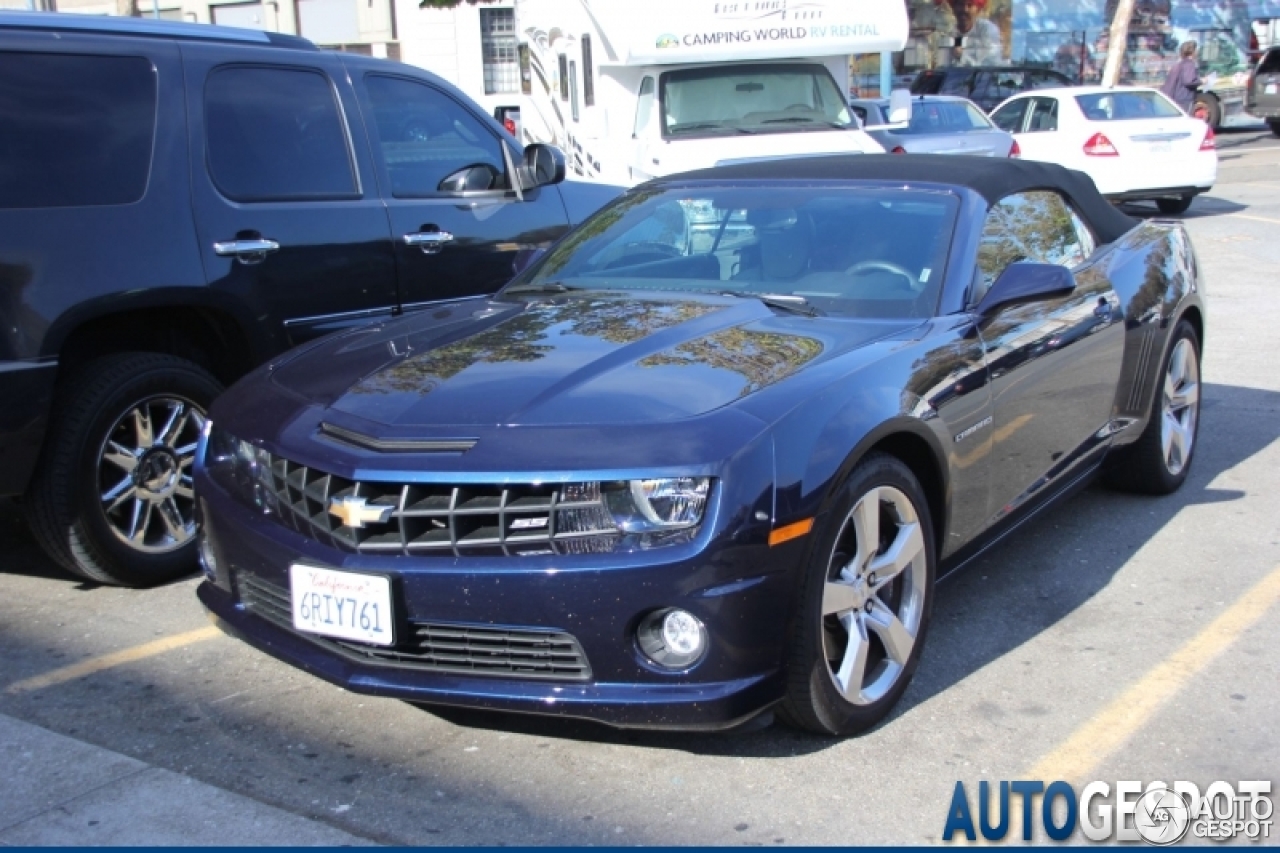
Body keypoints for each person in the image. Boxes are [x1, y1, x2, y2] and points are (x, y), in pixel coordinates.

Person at [951, 0, 1005, 66]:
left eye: (970, 5)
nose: (965, 10)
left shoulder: (986, 29)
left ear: (977, 10)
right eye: (960, 5)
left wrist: (962, 57)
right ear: (954, 8)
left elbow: (990, 65)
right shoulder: (950, 32)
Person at [1160, 40, 1202, 113]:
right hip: (1184, 99)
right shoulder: (1189, 64)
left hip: (1177, 98)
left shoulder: (1181, 64)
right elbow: (1189, 81)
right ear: (1192, 52)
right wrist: (1202, 81)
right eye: (1196, 49)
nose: (1198, 52)